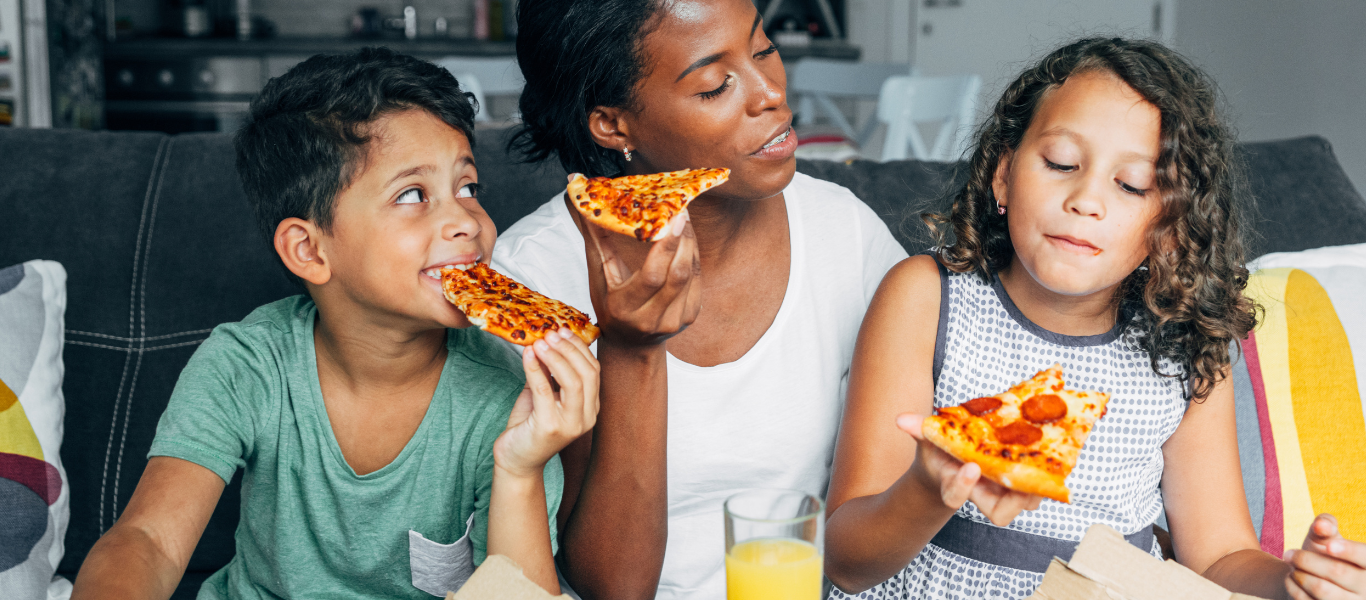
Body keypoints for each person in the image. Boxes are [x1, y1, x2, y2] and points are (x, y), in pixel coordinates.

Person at [822, 37, 1366, 600]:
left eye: (1132, 185)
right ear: (1003, 175)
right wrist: (930, 486)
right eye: (1061, 163)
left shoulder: (1182, 349)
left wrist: (1294, 582)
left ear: (1171, 222)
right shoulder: (928, 298)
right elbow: (847, 561)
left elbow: (1218, 557)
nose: (1087, 199)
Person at [70, 48, 599, 599]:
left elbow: (520, 590)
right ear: (309, 250)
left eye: (467, 188)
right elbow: (149, 540)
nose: (466, 220)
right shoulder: (248, 365)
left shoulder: (504, 395)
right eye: (414, 195)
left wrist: (519, 465)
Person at [491, 1, 909, 598]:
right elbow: (611, 587)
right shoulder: (528, 278)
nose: (770, 94)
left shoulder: (846, 233)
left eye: (764, 50)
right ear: (613, 125)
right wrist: (633, 349)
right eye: (716, 86)